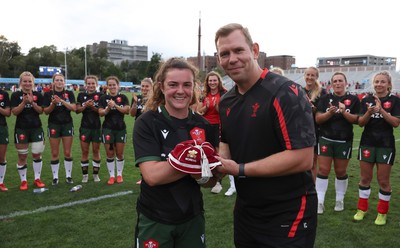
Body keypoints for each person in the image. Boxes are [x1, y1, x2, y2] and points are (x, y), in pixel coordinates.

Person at [214, 23, 317, 247]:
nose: (232, 59)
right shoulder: (226, 101)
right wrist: (214, 168)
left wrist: (240, 170)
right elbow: (226, 142)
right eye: (224, 54)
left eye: (238, 50)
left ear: (255, 50)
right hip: (247, 210)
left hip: (287, 211)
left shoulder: (286, 93)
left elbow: (302, 158)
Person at [133, 57, 221, 248]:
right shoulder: (147, 122)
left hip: (192, 217)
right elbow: (152, 176)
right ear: (161, 87)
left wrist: (202, 174)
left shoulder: (204, 125)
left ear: (194, 87)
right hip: (154, 217)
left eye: (186, 85)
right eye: (173, 84)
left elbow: (212, 180)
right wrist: (194, 162)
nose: (180, 91)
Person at [353, 71, 400, 225]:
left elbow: (395, 123)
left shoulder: (394, 101)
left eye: (382, 82)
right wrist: (368, 112)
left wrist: (381, 111)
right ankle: (362, 209)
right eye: (377, 81)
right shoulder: (366, 99)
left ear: (388, 84)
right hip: (367, 142)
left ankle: (382, 213)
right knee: (365, 178)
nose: (379, 84)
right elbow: (360, 123)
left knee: (383, 180)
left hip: (385, 145)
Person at [315, 71, 360, 214]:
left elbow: (356, 120)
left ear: (346, 83)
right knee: (323, 170)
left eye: (340, 80)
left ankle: (339, 200)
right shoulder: (325, 98)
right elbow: (318, 119)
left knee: (340, 171)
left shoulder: (353, 99)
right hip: (326, 138)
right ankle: (319, 201)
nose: (338, 83)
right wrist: (329, 113)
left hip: (344, 140)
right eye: (335, 81)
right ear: (331, 84)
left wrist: (344, 112)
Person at [197, 71, 232, 195]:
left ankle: (218, 181)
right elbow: (199, 111)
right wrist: (205, 108)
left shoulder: (224, 93)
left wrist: (218, 108)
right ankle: (207, 176)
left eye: (214, 80)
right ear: (207, 82)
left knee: (218, 153)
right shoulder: (204, 94)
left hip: (219, 126)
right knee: (206, 151)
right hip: (206, 125)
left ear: (219, 81)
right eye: (210, 80)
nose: (212, 82)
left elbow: (228, 112)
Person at [11, 71, 46, 190]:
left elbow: (41, 111)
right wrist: (24, 102)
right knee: (22, 156)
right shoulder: (16, 95)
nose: (27, 83)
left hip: (36, 128)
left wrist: (32, 103)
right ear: (20, 83)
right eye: (25, 81)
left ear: (33, 83)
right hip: (21, 128)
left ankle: (37, 178)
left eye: (29, 81)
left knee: (37, 154)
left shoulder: (38, 94)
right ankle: (23, 181)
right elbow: (14, 112)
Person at [43, 73, 77, 185]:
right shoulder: (48, 94)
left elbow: (74, 108)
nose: (59, 82)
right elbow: (46, 111)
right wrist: (53, 103)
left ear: (64, 82)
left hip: (67, 124)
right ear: (53, 82)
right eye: (57, 80)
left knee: (67, 152)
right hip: (53, 125)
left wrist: (62, 101)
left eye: (61, 80)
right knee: (54, 153)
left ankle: (68, 176)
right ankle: (55, 178)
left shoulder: (69, 93)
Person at [98, 76, 129, 185]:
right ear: (107, 86)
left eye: (114, 85)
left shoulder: (123, 97)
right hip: (107, 129)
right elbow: (101, 113)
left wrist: (115, 105)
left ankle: (119, 175)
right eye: (110, 85)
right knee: (110, 153)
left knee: (120, 154)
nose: (112, 87)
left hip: (120, 128)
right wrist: (108, 108)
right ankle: (112, 176)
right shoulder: (103, 98)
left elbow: (126, 111)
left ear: (118, 85)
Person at [76, 75, 103, 183]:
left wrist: (92, 107)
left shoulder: (101, 95)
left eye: (93, 83)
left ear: (96, 85)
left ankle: (96, 175)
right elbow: (77, 111)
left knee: (96, 150)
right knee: (85, 151)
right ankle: (85, 175)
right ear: (85, 85)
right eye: (89, 83)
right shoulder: (81, 95)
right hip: (85, 127)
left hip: (96, 127)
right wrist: (85, 106)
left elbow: (102, 113)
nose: (91, 85)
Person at [303, 66, 327, 181]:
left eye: (312, 75)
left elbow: (323, 112)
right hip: (300, 130)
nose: (310, 77)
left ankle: (311, 188)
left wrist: (314, 109)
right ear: (304, 76)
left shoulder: (322, 93)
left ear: (317, 77)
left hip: (316, 130)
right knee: (299, 162)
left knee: (312, 162)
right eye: (308, 74)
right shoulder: (299, 90)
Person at [130, 77, 153, 185]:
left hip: (152, 128)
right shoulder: (137, 98)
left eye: (146, 86)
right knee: (141, 153)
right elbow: (132, 114)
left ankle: (150, 176)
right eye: (142, 86)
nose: (144, 88)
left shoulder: (154, 98)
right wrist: (134, 103)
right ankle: (143, 176)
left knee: (151, 152)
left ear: (151, 87)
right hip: (139, 129)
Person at [0, 87, 11, 191]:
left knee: (1, 157)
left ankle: (0, 182)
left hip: (1, 127)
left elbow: (8, 113)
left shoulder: (4, 94)